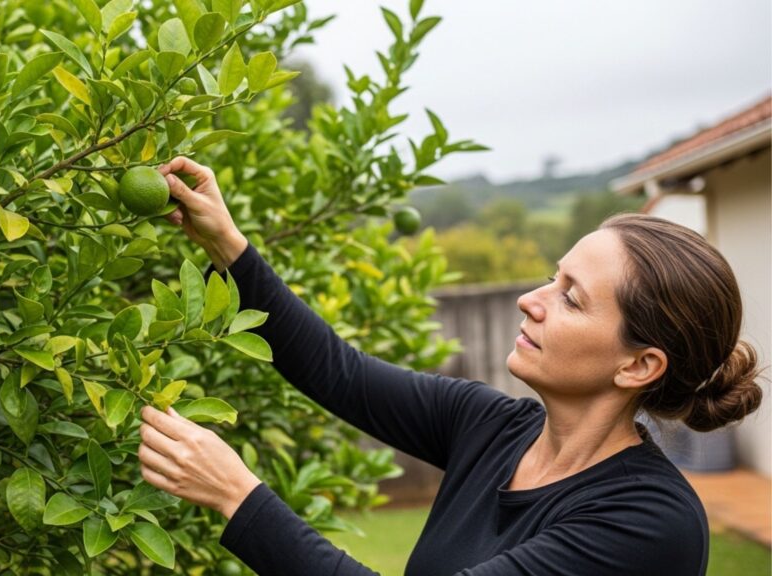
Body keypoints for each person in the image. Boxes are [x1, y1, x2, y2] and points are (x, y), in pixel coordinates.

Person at [135, 157, 764, 575]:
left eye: (570, 297)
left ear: (638, 365)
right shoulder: (489, 425)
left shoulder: (648, 524)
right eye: (552, 277)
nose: (530, 300)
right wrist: (229, 245)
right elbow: (337, 371)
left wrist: (238, 496)